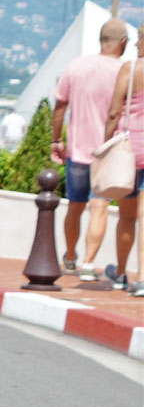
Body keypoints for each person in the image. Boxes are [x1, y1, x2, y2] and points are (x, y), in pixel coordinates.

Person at [53, 17, 128, 277]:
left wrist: (56, 140)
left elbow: (60, 105)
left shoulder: (76, 66)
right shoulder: (124, 71)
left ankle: (71, 257)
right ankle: (88, 263)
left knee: (74, 205)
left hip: (77, 149)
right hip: (107, 152)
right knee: (99, 207)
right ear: (123, 42)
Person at [99, 52, 144, 291]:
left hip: (130, 153)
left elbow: (114, 112)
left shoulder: (131, 68)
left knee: (127, 217)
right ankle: (143, 277)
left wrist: (106, 142)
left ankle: (121, 272)